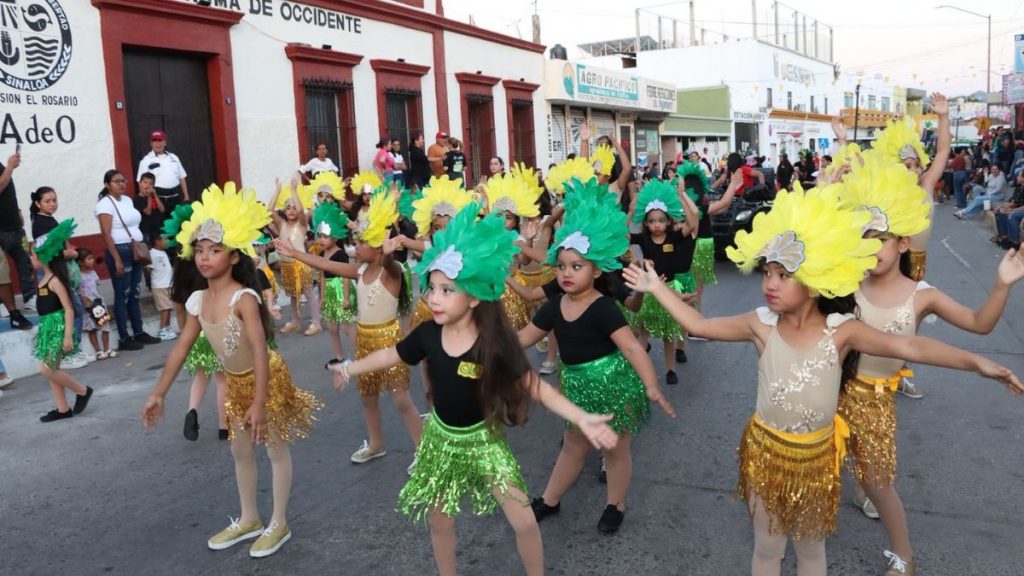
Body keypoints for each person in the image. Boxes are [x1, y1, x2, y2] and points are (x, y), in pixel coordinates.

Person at [623, 186, 1022, 576]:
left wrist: (978, 363)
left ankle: (903, 554)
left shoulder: (842, 330)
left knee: (812, 551)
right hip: (766, 456)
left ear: (814, 280)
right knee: (767, 548)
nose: (770, 284)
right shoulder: (761, 324)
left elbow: (911, 347)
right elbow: (699, 325)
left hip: (816, 463)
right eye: (767, 273)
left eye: (784, 275)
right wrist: (656, 287)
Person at [330, 202, 619, 576]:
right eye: (433, 287)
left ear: (474, 296)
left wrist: (581, 417)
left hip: (484, 442)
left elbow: (536, 387)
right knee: (440, 522)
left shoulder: (492, 343)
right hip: (440, 442)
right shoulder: (428, 334)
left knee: (524, 520)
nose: (434, 298)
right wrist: (350, 367)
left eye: (447, 290)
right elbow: (391, 354)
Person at [832, 153, 1024, 576]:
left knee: (880, 483)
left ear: (903, 243)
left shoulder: (923, 295)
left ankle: (905, 555)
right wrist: (830, 187)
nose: (870, 248)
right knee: (825, 466)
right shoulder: (845, 282)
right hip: (832, 391)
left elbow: (980, 324)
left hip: (876, 403)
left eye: (880, 238)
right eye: (863, 238)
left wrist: (1001, 284)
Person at [143, 183, 321, 558]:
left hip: (265, 380)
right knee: (240, 451)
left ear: (235, 256)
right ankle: (249, 518)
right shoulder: (198, 300)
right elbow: (181, 348)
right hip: (237, 384)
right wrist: (159, 393)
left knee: (274, 448)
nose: (205, 257)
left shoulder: (244, 298)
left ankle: (279, 522)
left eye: (215, 250)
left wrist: (259, 401)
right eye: (200, 250)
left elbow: (260, 351)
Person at [518, 184, 675, 534]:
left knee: (615, 450)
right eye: (562, 266)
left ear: (597, 271)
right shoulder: (554, 306)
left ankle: (615, 504)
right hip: (575, 387)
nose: (567, 273)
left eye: (577, 266)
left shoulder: (603, 308)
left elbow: (632, 348)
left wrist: (651, 385)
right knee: (573, 446)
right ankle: (550, 499)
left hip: (614, 386)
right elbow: (524, 338)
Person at [273, 192, 422, 467]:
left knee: (401, 399)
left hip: (389, 341)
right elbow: (327, 264)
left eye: (363, 242)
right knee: (367, 397)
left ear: (379, 247)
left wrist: (388, 255)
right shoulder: (359, 270)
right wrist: (295, 253)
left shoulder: (391, 272)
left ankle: (422, 450)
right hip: (364, 340)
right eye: (357, 241)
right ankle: (376, 444)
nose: (357, 246)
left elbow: (389, 264)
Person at [160, 203, 229, 442]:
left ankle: (192, 410)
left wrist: (185, 336)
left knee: (201, 375)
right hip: (213, 329)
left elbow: (179, 306)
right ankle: (224, 425)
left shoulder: (181, 269)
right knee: (221, 377)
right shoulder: (211, 268)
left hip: (194, 333)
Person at [628, 178, 699, 384]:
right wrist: (631, 212)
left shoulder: (673, 237)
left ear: (668, 221)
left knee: (669, 333)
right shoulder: (643, 239)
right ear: (646, 223)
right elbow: (622, 236)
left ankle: (670, 370)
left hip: (669, 289)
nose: (657, 225)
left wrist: (682, 195)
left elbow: (692, 222)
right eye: (652, 221)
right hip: (649, 291)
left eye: (661, 220)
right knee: (644, 329)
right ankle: (640, 367)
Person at [31, 219, 93, 423]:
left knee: (46, 369)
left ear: (45, 256)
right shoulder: (43, 280)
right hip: (47, 326)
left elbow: (68, 309)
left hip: (58, 326)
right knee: (53, 369)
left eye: (33, 254)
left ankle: (82, 390)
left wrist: (67, 336)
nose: (31, 258)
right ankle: (63, 408)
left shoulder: (55, 281)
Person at [95, 169, 160, 351]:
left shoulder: (128, 200)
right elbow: (106, 233)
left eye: (123, 180)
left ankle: (138, 331)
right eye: (117, 181)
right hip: (120, 251)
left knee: (134, 293)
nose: (122, 184)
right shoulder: (105, 204)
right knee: (122, 295)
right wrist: (116, 259)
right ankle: (124, 336)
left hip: (135, 249)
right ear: (107, 184)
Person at [30, 185, 90, 369]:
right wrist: (71, 254)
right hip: (53, 272)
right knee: (71, 309)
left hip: (59, 271)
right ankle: (70, 350)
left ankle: (70, 349)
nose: (52, 204)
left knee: (71, 309)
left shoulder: (48, 219)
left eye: (54, 200)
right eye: (47, 201)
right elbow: (47, 253)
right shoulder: (41, 223)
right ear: (37, 203)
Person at [267, 179, 321, 336]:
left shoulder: (301, 225)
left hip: (301, 264)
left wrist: (293, 190)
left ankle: (316, 323)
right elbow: (269, 210)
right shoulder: (281, 225)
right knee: (293, 294)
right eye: (288, 208)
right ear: (284, 211)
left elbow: (301, 211)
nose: (291, 210)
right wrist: (277, 191)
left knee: (308, 293)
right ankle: (295, 321)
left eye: (293, 207)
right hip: (287, 265)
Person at [311, 202, 356, 362]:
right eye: (320, 236)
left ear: (334, 237)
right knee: (331, 327)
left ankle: (363, 352)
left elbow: (345, 277)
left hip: (340, 289)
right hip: (329, 292)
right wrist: (322, 297)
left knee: (345, 326)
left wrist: (345, 297)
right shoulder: (322, 254)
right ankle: (339, 356)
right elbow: (322, 276)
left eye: (325, 237)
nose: (321, 240)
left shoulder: (341, 254)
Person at [0, 151, 37, 326]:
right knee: (2, 272)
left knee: (25, 263)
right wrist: (10, 167)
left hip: (15, 226)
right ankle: (3, 304)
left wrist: (18, 210)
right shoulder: (6, 167)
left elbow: (7, 190)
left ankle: (30, 297)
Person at [137, 131, 189, 215]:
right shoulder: (146, 160)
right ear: (151, 143)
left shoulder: (173, 157)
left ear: (165, 142)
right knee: (161, 222)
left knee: (178, 221)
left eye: (160, 140)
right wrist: (146, 200)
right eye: (155, 141)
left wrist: (186, 195)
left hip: (176, 198)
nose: (158, 143)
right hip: (158, 199)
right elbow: (140, 182)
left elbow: (182, 177)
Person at [77, 248, 114, 361]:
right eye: (89, 259)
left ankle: (107, 349)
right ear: (80, 262)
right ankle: (98, 351)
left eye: (92, 258)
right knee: (92, 329)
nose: (92, 260)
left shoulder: (93, 273)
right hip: (88, 307)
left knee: (105, 327)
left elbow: (96, 286)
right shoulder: (77, 276)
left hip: (99, 304)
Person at [149, 236, 177, 341]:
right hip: (159, 285)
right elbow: (148, 268)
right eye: (165, 239)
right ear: (157, 241)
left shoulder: (164, 253)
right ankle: (162, 330)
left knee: (168, 307)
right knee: (165, 308)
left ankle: (167, 328)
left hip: (167, 284)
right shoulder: (152, 253)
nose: (168, 241)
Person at [993, 170, 1024, 249]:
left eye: (1019, 176)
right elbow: (1012, 200)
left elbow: (1017, 203)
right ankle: (1004, 236)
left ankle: (1014, 241)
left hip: (1020, 209)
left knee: (1012, 215)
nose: (1017, 177)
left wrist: (1012, 210)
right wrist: (1000, 206)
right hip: (1018, 207)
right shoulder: (1019, 186)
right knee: (999, 211)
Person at [133, 172, 166, 245]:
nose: (147, 185)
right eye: (145, 182)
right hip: (146, 232)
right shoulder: (137, 199)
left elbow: (162, 209)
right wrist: (149, 196)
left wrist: (155, 195)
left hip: (158, 230)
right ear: (140, 183)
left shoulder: (155, 196)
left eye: (150, 183)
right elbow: (148, 212)